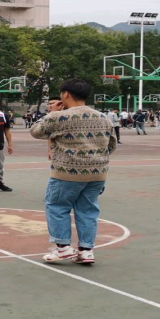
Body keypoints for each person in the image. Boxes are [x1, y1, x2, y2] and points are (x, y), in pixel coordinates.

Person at [30, 81, 116, 264]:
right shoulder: (103, 117)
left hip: (67, 172)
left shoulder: (59, 117)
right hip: (97, 173)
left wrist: (52, 113)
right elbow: (112, 144)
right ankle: (86, 250)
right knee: (88, 210)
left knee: (57, 206)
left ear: (66, 94)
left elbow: (36, 131)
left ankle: (63, 247)